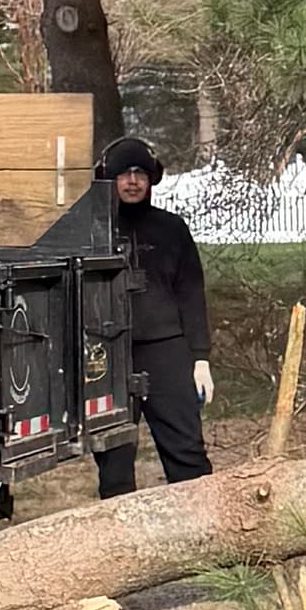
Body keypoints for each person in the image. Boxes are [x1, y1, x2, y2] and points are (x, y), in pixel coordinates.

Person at [96, 132, 212, 486]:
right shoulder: (92, 231)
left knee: (187, 453)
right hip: (107, 356)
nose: (133, 182)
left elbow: (192, 295)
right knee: (113, 462)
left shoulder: (171, 229)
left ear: (151, 179)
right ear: (109, 179)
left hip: (167, 353)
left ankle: (201, 528)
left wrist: (201, 358)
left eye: (141, 174)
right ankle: (120, 536)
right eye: (124, 174)